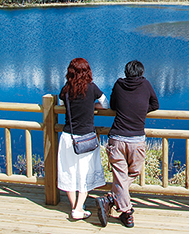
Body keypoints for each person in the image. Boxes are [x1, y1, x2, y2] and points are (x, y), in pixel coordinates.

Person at [96, 60, 159, 228]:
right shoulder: (145, 85)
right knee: (134, 172)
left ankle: (111, 198)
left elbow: (114, 105)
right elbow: (155, 104)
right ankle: (127, 213)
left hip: (116, 138)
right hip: (136, 140)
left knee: (121, 175)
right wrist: (140, 110)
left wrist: (128, 109)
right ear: (141, 72)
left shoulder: (118, 84)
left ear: (126, 72)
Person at [57, 58, 109, 220]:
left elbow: (60, 105)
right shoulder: (92, 89)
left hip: (68, 138)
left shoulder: (65, 89)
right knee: (86, 173)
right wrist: (92, 106)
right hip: (87, 138)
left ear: (70, 72)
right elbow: (106, 104)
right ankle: (78, 208)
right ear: (87, 71)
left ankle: (75, 206)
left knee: (69, 172)